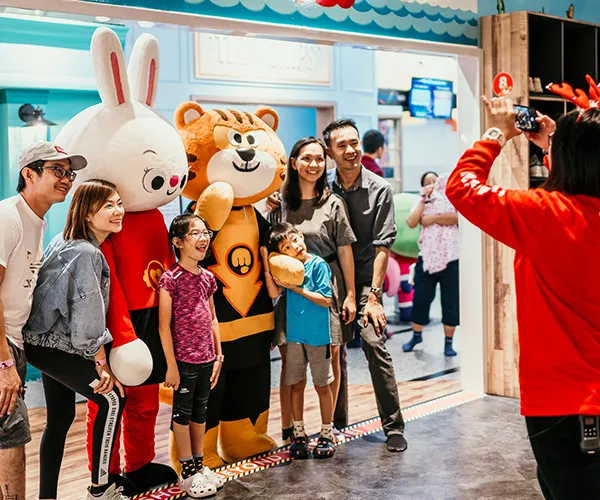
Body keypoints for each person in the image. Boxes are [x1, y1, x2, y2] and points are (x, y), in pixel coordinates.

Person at [446, 95, 600, 499]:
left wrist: (498, 133)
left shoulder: (543, 214)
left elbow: (462, 188)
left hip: (562, 402)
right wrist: (554, 140)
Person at [23, 179, 128, 500]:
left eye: (119, 203)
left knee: (61, 417)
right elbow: (87, 317)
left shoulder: (65, 240)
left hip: (41, 343)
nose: (118, 211)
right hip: (54, 345)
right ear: (87, 213)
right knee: (112, 399)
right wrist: (101, 363)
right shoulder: (87, 254)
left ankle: (47, 497)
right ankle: (101, 489)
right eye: (108, 205)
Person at [0, 141, 87, 500]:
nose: (66, 179)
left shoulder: (38, 219)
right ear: (29, 174)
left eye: (70, 173)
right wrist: (5, 362)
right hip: (3, 346)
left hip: (13, 341)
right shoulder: (9, 216)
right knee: (12, 437)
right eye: (57, 171)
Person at [324, 118, 407, 453]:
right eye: (342, 145)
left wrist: (372, 297)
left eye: (354, 143)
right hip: (330, 281)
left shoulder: (379, 189)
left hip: (364, 281)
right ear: (330, 152)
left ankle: (394, 425)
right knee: (334, 351)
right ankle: (337, 422)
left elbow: (382, 247)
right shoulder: (321, 188)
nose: (350, 150)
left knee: (374, 343)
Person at [271, 136, 356, 441]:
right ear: (294, 163)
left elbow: (345, 249)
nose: (314, 165)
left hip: (326, 284)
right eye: (306, 159)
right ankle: (291, 428)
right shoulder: (279, 205)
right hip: (290, 291)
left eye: (319, 159)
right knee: (290, 362)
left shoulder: (333, 203)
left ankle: (327, 428)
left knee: (330, 359)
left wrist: (349, 295)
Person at [158, 214, 224, 498]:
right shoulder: (169, 279)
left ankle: (198, 464)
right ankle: (185, 472)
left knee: (200, 412)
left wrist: (218, 355)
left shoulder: (208, 277)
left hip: (207, 358)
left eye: (205, 232)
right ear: (178, 241)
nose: (203, 238)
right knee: (182, 414)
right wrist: (171, 365)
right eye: (195, 233)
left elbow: (212, 318)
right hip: (183, 361)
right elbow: (163, 326)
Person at [261, 223, 336, 459]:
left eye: (295, 240)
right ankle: (300, 433)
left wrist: (298, 289)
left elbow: (325, 300)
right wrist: (266, 260)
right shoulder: (286, 269)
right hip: (294, 337)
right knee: (296, 384)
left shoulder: (318, 265)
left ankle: (326, 433)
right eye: (286, 247)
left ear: (301, 236)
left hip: (318, 337)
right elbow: (274, 293)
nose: (295, 247)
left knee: (322, 386)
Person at [404, 171, 459, 356]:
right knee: (420, 298)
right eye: (427, 182)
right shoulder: (421, 202)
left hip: (451, 257)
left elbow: (458, 218)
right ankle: (416, 335)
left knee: (450, 302)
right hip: (426, 257)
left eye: (434, 180)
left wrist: (433, 219)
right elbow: (411, 222)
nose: (431, 184)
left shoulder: (451, 197)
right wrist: (423, 199)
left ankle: (448, 343)